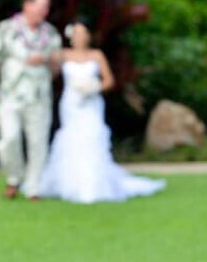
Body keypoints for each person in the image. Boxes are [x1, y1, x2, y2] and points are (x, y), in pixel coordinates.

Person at [39, 19, 166, 204]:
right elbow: (51, 72)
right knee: (72, 137)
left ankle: (92, 184)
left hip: (91, 103)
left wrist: (93, 87)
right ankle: (68, 182)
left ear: (89, 36)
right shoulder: (63, 55)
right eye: (77, 33)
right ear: (71, 36)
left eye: (83, 33)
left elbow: (108, 80)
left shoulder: (96, 55)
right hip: (71, 104)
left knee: (91, 136)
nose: (80, 37)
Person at [0, 0, 63, 201]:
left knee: (38, 142)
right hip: (10, 93)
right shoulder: (7, 28)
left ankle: (34, 186)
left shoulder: (51, 32)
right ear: (27, 5)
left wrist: (47, 61)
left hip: (39, 95)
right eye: (41, 6)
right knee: (9, 138)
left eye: (46, 7)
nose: (44, 12)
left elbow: (56, 66)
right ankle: (14, 177)